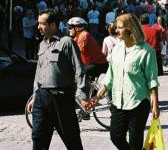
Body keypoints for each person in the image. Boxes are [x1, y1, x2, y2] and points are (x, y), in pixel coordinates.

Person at [90, 13, 160, 150]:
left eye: (120, 28)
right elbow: (109, 77)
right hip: (118, 102)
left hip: (138, 102)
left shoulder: (146, 51)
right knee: (115, 136)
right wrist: (97, 97)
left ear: (130, 29)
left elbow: (152, 80)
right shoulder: (117, 49)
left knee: (135, 142)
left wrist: (155, 104)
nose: (116, 30)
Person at [27, 9, 90, 150]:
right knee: (38, 138)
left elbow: (80, 69)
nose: (38, 27)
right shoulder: (42, 44)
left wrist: (83, 95)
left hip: (61, 99)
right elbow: (39, 72)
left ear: (53, 25)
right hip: (42, 99)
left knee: (71, 139)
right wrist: (34, 96)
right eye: (39, 23)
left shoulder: (66, 42)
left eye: (42, 24)